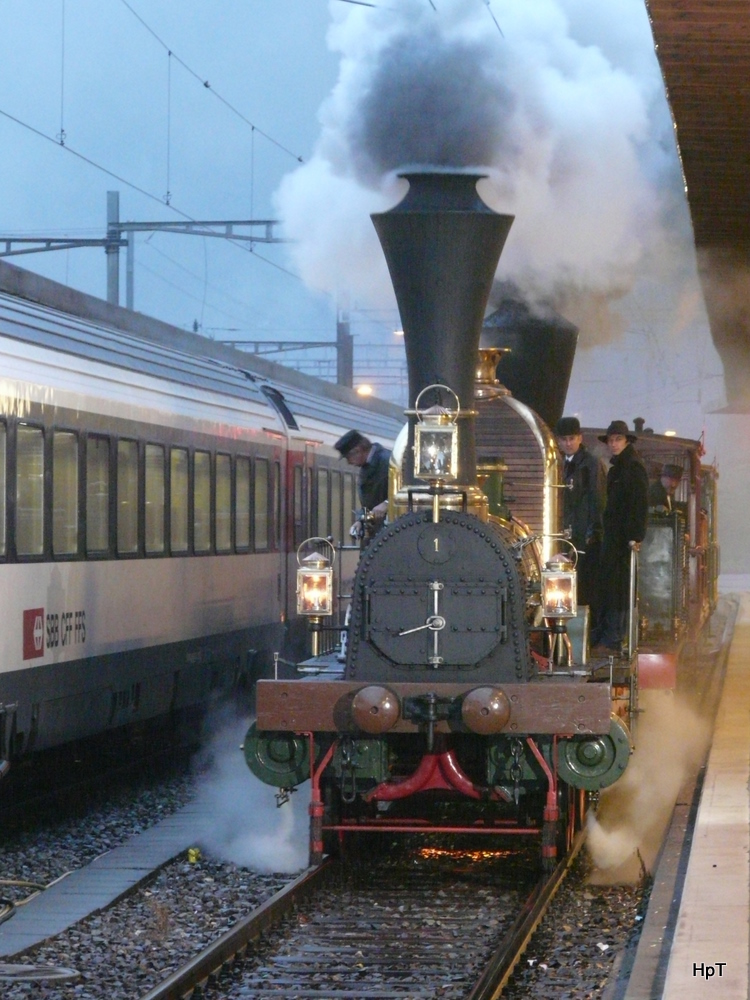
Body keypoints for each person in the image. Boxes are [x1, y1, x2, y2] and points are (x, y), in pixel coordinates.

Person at [590, 420, 649, 655]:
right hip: (615, 537)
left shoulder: (632, 468)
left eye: (618, 440)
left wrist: (634, 537)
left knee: (618, 589)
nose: (613, 444)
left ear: (626, 441)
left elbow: (639, 505)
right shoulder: (619, 468)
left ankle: (614, 638)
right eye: (611, 440)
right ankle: (608, 635)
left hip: (623, 539)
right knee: (611, 587)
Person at [554, 416, 606, 612]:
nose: (568, 443)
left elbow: (598, 498)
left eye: (572, 438)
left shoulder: (591, 464)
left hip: (583, 534)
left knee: (583, 585)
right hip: (565, 533)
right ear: (558, 441)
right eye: (564, 439)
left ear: (580, 438)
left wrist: (593, 532)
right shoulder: (559, 463)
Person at [334, 430, 391, 533]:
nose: (349, 462)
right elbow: (368, 504)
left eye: (348, 457)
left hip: (391, 530)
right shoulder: (367, 466)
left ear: (358, 450)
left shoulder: (388, 461)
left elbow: (407, 489)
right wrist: (361, 520)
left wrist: (387, 503)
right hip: (381, 532)